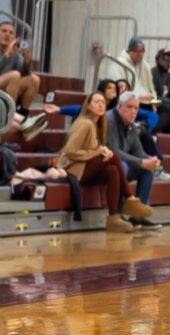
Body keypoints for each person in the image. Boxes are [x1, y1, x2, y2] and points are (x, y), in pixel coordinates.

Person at [56, 91, 153, 233]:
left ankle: (114, 218)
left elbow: (95, 149)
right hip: (73, 171)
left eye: (103, 102)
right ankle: (130, 199)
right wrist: (99, 151)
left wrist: (102, 151)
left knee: (112, 169)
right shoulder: (85, 123)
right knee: (115, 158)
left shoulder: (100, 124)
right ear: (88, 106)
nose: (101, 105)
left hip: (86, 168)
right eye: (96, 102)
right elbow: (69, 152)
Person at [105, 91, 162, 230]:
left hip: (119, 164)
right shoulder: (109, 120)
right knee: (122, 166)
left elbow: (138, 152)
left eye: (136, 108)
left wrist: (150, 160)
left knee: (147, 170)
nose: (133, 112)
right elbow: (114, 152)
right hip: (105, 167)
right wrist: (142, 162)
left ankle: (137, 217)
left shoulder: (131, 125)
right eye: (129, 107)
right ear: (119, 107)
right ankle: (117, 215)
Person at [103, 38, 170, 134]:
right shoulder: (119, 64)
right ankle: (142, 131)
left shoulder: (141, 65)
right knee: (164, 108)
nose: (140, 54)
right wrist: (141, 97)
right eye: (138, 51)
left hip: (140, 99)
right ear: (130, 51)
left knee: (165, 107)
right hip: (127, 101)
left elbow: (144, 86)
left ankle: (143, 129)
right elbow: (120, 92)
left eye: (142, 51)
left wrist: (151, 99)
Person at [0, 21, 45, 138]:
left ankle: (22, 115)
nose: (7, 35)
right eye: (4, 31)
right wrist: (7, 55)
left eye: (11, 32)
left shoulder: (15, 54)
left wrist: (27, 59)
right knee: (14, 75)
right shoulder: (9, 53)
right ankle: (20, 120)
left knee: (34, 79)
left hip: (6, 89)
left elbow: (24, 74)